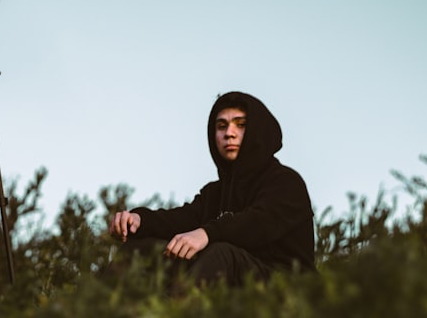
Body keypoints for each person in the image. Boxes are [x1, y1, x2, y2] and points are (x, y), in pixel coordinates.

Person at [110, 91, 314, 285]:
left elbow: (257, 223)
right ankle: (90, 312)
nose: (229, 134)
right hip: (227, 273)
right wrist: (140, 220)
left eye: (241, 125)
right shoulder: (215, 193)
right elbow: (183, 218)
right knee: (141, 249)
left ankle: (174, 317)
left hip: (284, 284)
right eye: (221, 126)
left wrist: (207, 233)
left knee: (222, 253)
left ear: (256, 131)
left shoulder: (286, 181)